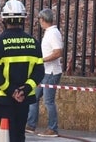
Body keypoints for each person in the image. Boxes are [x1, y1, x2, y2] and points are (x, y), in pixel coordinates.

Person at [0, 0, 44, 142]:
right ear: (23, 19)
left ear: (3, 20)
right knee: (19, 135)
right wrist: (24, 90)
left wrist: (12, 91)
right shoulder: (33, 42)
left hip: (3, 98)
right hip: (23, 99)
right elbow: (39, 71)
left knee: (5, 135)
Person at [26, 8, 63, 138]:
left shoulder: (53, 33)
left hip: (51, 72)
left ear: (43, 19)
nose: (39, 22)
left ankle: (53, 128)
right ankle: (30, 125)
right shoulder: (49, 32)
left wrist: (41, 60)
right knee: (34, 98)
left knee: (48, 101)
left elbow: (58, 52)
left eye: (40, 20)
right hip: (45, 72)